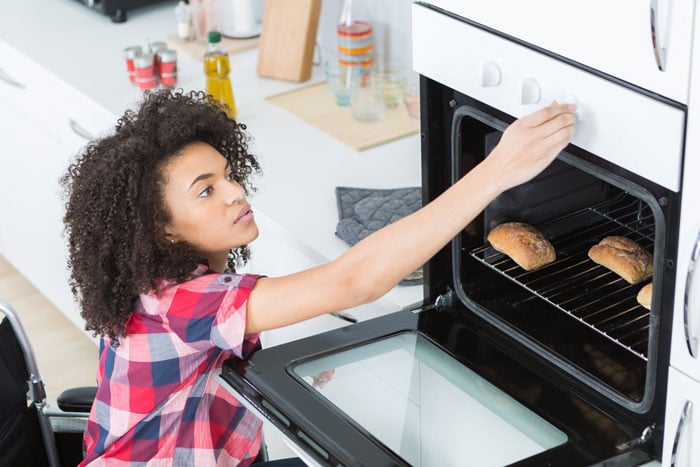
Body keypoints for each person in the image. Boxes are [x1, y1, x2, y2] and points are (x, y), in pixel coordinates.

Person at [61, 89, 576, 466]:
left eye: (227, 175)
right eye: (205, 191)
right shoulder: (180, 303)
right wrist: (498, 170)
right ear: (161, 229)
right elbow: (354, 283)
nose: (236, 192)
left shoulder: (173, 279)